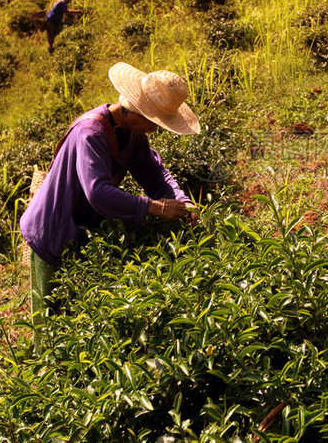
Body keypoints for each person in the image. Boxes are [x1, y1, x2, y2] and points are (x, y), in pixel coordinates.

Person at [20, 62, 201, 351]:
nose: (155, 131)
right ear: (136, 113)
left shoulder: (133, 135)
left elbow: (155, 174)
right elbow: (98, 193)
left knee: (77, 319)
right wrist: (155, 207)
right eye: (155, 123)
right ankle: (43, 373)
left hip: (80, 227)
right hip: (52, 227)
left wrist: (182, 201)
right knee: (50, 321)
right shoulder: (90, 132)